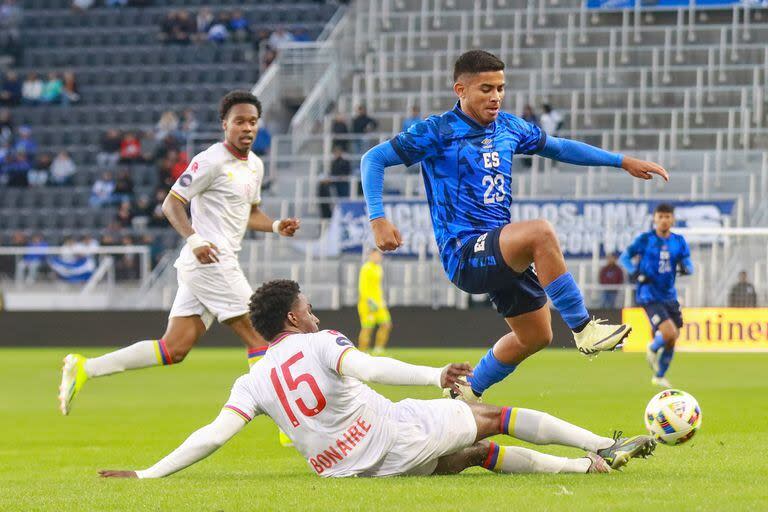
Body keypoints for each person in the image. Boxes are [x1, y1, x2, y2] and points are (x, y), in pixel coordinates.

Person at [98, 280, 656, 480]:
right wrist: (435, 373)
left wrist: (149, 474)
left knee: (469, 453)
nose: (314, 315)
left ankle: (583, 465)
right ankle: (599, 451)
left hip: (345, 471)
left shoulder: (253, 378)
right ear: (293, 318)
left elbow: (213, 436)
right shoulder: (319, 342)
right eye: (308, 308)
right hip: (390, 436)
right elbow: (372, 368)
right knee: (493, 416)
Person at [361, 50, 669, 402]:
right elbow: (373, 159)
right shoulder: (437, 131)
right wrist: (378, 217)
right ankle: (584, 329)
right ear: (460, 90)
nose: (495, 97)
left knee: (536, 336)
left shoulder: (508, 126)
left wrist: (621, 161)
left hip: (499, 250)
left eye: (501, 88)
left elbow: (559, 147)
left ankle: (466, 392)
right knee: (540, 232)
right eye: (486, 89)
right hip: (464, 252)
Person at [59, 90, 301, 416]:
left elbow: (250, 212)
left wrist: (274, 226)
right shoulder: (209, 160)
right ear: (224, 124)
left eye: (253, 122)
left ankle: (86, 368)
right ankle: (290, 421)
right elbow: (171, 203)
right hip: (209, 261)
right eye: (239, 121)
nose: (247, 128)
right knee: (260, 335)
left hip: (213, 263)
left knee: (173, 349)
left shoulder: (254, 166)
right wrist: (194, 239)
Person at [620, 203, 693, 388]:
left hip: (669, 295)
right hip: (648, 295)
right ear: (654, 219)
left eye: (667, 216)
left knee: (673, 337)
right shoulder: (645, 239)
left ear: (673, 219)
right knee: (668, 332)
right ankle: (652, 348)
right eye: (660, 216)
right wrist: (635, 272)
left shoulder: (679, 241)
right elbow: (624, 258)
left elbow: (689, 264)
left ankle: (660, 375)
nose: (664, 220)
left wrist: (686, 268)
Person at [357, 249, 391, 354]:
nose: (379, 257)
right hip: (367, 304)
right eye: (377, 255)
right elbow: (362, 287)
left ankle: (378, 350)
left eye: (380, 255)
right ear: (371, 256)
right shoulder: (366, 268)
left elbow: (377, 287)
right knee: (367, 328)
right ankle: (362, 352)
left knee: (386, 325)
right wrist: (369, 301)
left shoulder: (379, 268)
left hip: (379, 303)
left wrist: (381, 299)